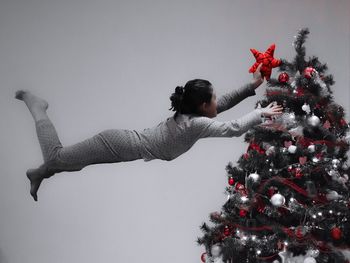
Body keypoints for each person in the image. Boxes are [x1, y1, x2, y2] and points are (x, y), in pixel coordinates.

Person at [15, 63, 283, 201]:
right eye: (212, 99)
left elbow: (220, 106)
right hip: (116, 144)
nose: (218, 101)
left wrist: (252, 85)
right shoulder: (196, 123)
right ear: (202, 105)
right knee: (56, 158)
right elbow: (233, 128)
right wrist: (261, 113)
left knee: (70, 165)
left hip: (124, 147)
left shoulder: (194, 115)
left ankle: (37, 174)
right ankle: (37, 106)